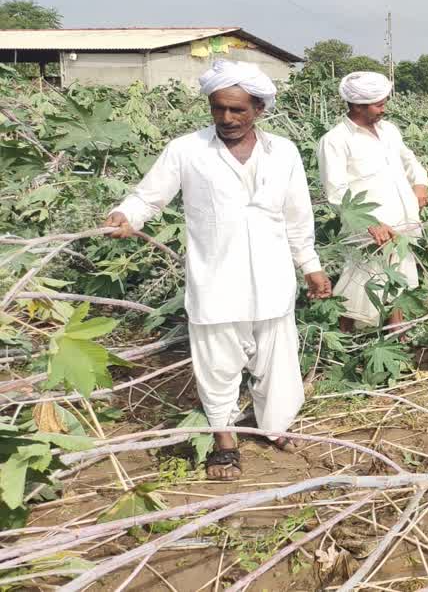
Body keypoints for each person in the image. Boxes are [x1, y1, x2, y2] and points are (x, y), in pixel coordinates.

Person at [103, 60, 332, 480]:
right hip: (216, 278)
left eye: (237, 110)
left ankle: (273, 427)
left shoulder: (283, 151)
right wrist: (125, 215)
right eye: (218, 108)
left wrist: (310, 267)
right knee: (217, 362)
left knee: (277, 360)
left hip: (272, 276)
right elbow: (148, 197)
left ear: (259, 109)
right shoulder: (186, 150)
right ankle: (224, 439)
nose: (227, 118)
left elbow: (298, 216)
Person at [317, 71, 428, 333]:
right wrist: (371, 224)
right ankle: (342, 341)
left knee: (398, 282)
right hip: (368, 229)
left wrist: (420, 182)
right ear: (357, 105)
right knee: (358, 283)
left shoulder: (389, 130)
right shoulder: (335, 140)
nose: (384, 109)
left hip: (403, 220)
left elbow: (409, 160)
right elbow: (337, 192)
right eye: (379, 104)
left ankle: (396, 337)